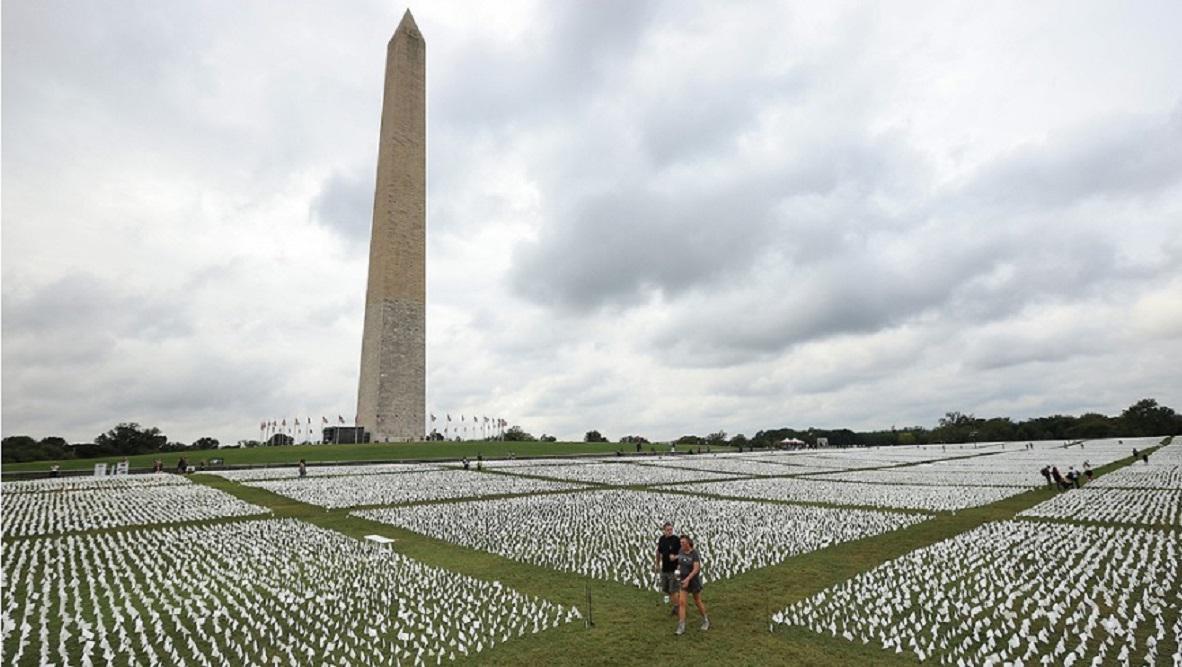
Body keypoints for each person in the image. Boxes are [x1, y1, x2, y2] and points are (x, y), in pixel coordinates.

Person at [675, 535, 708, 635]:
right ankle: (681, 626)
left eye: (683, 543)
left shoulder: (694, 554)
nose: (681, 544)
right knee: (682, 603)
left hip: (693, 581)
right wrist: (677, 571)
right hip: (683, 580)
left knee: (697, 601)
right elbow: (680, 562)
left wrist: (688, 579)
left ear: (688, 543)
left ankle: (705, 620)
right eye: (680, 543)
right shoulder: (680, 551)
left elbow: (696, 568)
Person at [654, 522, 681, 617]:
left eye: (671, 529)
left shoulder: (676, 540)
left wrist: (676, 557)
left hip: (674, 570)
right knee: (666, 589)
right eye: (668, 530)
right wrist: (657, 564)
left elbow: (683, 553)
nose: (670, 531)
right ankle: (677, 602)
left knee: (673, 590)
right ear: (664, 531)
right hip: (664, 569)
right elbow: (658, 551)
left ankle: (678, 608)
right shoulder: (662, 539)